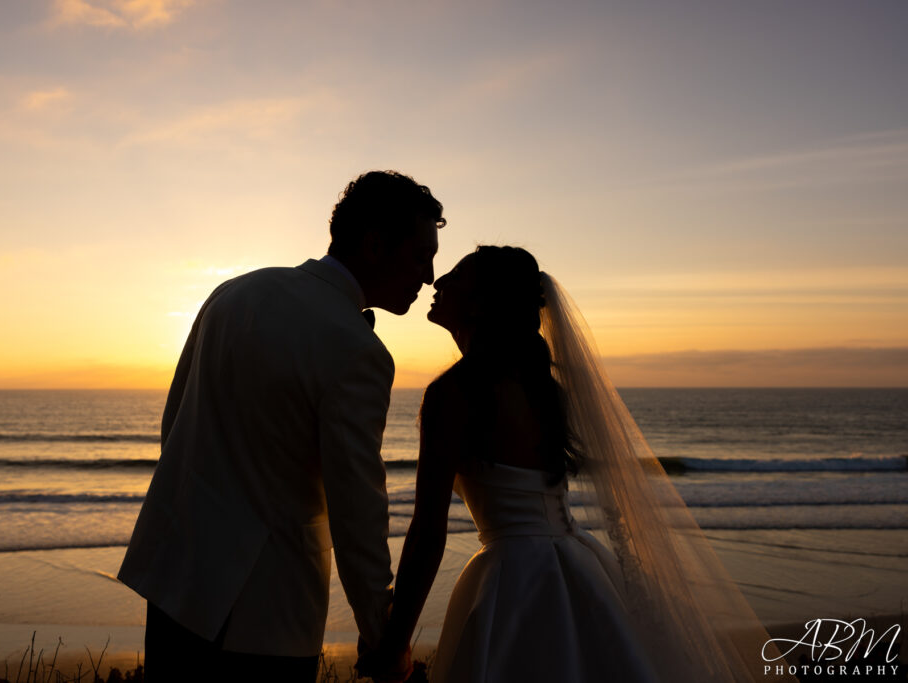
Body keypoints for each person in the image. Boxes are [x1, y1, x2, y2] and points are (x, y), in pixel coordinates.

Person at [358, 246, 792, 682]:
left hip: (514, 585)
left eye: (455, 276)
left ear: (482, 302)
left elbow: (428, 531)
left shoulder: (453, 395)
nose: (438, 282)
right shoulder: (545, 390)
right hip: (579, 565)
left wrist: (397, 643)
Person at [117, 170, 445, 682]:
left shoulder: (232, 293)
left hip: (174, 582)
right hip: (264, 611)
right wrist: (381, 632)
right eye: (422, 254)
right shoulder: (359, 351)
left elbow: (176, 421)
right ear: (375, 243)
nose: (428, 276)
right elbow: (356, 505)